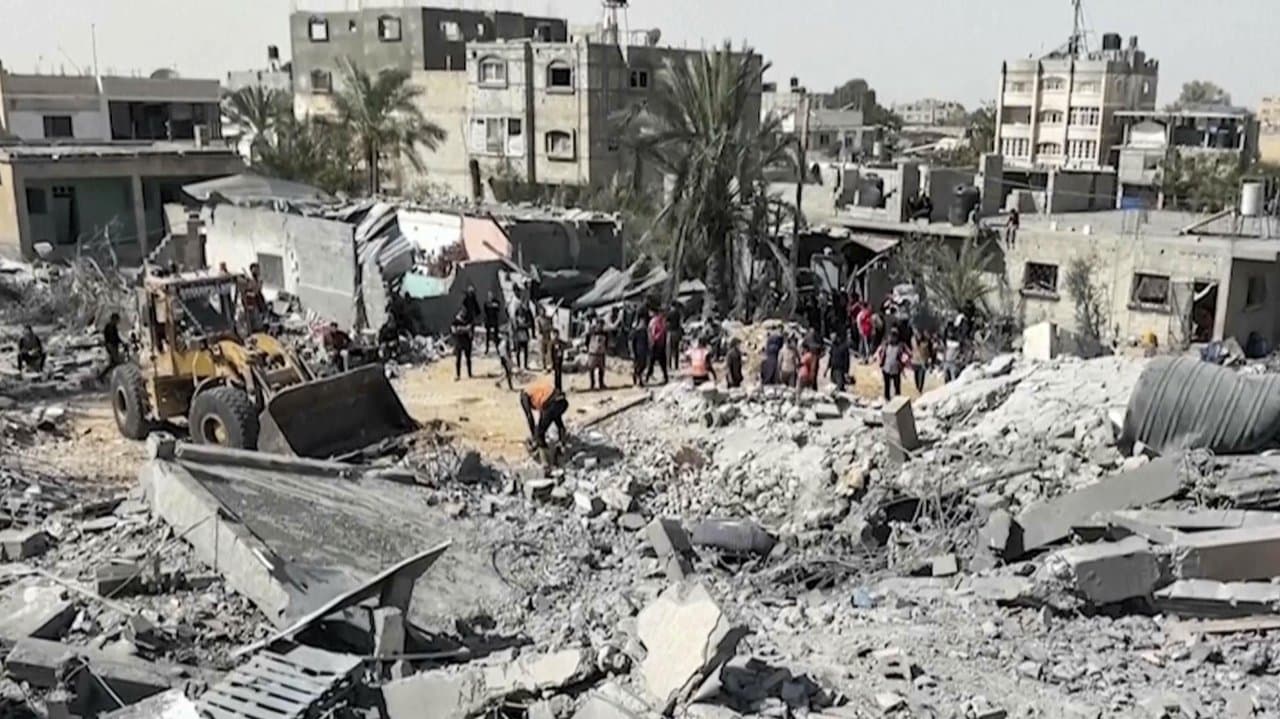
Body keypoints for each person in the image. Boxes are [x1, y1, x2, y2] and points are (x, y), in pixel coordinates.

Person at [520, 365, 568, 450]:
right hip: (562, 402)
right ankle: (562, 445)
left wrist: (534, 435)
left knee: (540, 433)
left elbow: (529, 416)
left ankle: (544, 455)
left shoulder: (525, 395)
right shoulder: (536, 388)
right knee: (557, 420)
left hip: (552, 403)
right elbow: (543, 412)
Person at [876, 327, 911, 401]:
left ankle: (898, 400)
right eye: (891, 335)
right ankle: (887, 399)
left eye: (894, 336)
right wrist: (880, 361)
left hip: (896, 369)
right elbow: (879, 352)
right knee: (887, 386)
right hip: (886, 368)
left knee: (897, 386)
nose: (892, 338)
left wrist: (904, 361)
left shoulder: (901, 346)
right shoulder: (886, 345)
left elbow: (909, 354)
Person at [98, 313, 124, 381]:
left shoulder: (113, 326)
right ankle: (103, 376)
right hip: (111, 345)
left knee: (113, 363)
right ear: (113, 319)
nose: (118, 321)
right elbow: (110, 337)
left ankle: (103, 376)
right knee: (116, 361)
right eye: (117, 320)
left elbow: (116, 337)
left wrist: (121, 342)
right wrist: (109, 345)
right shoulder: (109, 326)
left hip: (114, 345)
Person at [646, 310, 669, 384]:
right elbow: (652, 333)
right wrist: (656, 338)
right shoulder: (656, 322)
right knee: (654, 362)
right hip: (656, 344)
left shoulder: (659, 321)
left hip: (659, 344)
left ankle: (664, 377)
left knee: (657, 362)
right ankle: (647, 377)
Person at [450, 308, 473, 380]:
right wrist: (464, 329)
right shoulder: (455, 321)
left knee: (468, 359)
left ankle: (469, 374)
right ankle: (458, 375)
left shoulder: (468, 320)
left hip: (466, 342)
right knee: (458, 359)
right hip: (459, 342)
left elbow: (469, 329)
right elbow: (453, 331)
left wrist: (460, 329)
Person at [587, 316, 608, 391]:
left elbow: (606, 342)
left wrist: (605, 349)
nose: (600, 326)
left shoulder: (605, 333)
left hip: (601, 353)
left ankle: (601, 383)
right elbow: (587, 341)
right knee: (591, 369)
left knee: (601, 369)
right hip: (592, 353)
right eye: (599, 324)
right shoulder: (591, 332)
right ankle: (592, 384)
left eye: (602, 324)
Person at [628, 315, 650, 387]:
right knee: (637, 367)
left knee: (643, 365)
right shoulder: (635, 332)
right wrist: (632, 352)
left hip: (644, 352)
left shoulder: (645, 332)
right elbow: (630, 342)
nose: (643, 324)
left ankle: (639, 379)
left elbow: (647, 342)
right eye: (642, 322)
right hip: (637, 352)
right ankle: (637, 380)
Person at [514, 302, 534, 370]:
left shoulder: (526, 318)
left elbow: (529, 324)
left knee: (526, 351)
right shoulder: (516, 318)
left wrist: (522, 326)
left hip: (525, 336)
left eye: (522, 310)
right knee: (518, 352)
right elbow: (515, 326)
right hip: (518, 336)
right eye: (520, 310)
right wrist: (524, 325)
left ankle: (525, 365)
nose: (521, 312)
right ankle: (518, 365)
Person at [482, 290, 502, 355]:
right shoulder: (486, 303)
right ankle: (487, 349)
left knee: (496, 336)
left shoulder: (496, 302)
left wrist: (495, 305)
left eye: (491, 295)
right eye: (489, 296)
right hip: (488, 321)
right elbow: (485, 311)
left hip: (495, 321)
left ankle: (497, 348)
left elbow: (498, 308)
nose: (490, 297)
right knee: (488, 336)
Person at [536, 306, 555, 372]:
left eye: (544, 311)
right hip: (541, 337)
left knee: (549, 352)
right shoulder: (538, 319)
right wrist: (547, 329)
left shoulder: (548, 318)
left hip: (548, 336)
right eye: (541, 311)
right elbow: (539, 329)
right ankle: (544, 367)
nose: (543, 312)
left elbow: (551, 326)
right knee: (542, 353)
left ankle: (551, 365)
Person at [665, 304, 683, 372]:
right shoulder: (678, 313)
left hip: (670, 332)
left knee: (669, 350)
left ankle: (669, 366)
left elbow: (666, 322)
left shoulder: (669, 313)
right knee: (676, 349)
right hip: (677, 332)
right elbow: (680, 323)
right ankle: (676, 365)